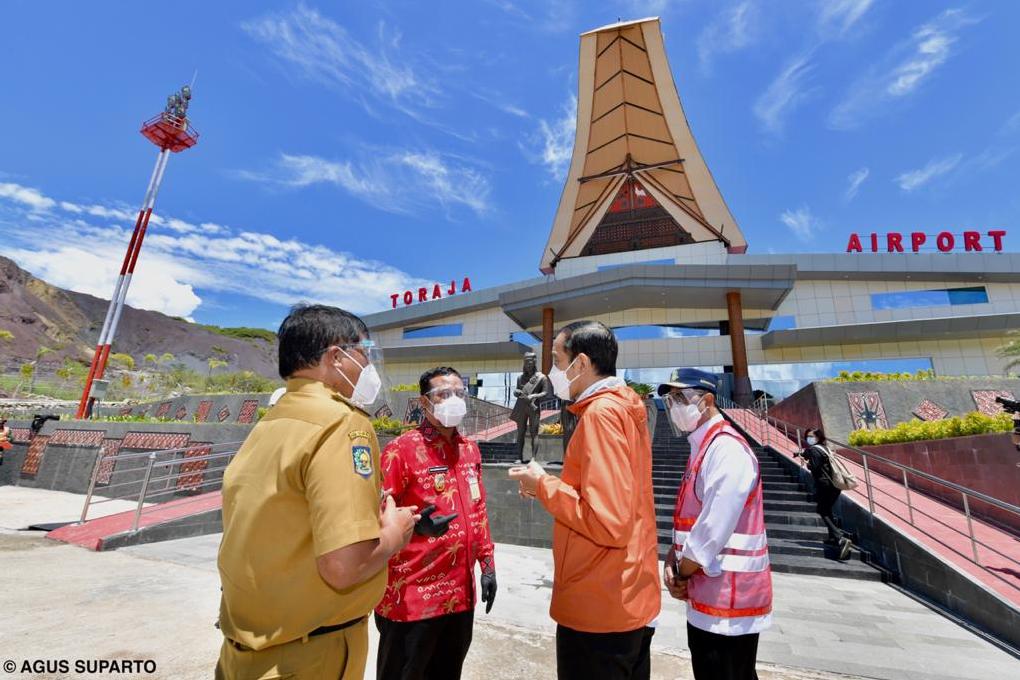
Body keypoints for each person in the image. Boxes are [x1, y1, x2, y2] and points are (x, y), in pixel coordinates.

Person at [215, 304, 420, 680]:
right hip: (310, 656)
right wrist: (395, 532)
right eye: (363, 352)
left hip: (245, 652)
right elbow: (344, 567)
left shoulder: (274, 421)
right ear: (336, 358)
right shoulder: (342, 423)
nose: (367, 365)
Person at [509, 321, 660, 680]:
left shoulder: (601, 414)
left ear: (580, 363)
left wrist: (543, 484)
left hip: (599, 605)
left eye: (557, 360)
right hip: (624, 594)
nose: (552, 372)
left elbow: (607, 520)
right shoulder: (623, 409)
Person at [374, 366, 496, 680]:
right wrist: (415, 526)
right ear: (424, 403)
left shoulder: (470, 450)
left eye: (459, 393)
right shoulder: (400, 450)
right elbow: (374, 513)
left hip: (459, 596)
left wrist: (488, 565)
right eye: (443, 394)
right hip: (412, 597)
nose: (453, 400)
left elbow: (478, 510)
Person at [659, 369, 772, 680]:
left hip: (730, 608)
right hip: (706, 599)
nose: (673, 406)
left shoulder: (727, 449)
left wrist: (680, 574)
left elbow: (711, 529)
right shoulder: (703, 448)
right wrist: (672, 562)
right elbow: (688, 526)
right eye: (670, 399)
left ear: (707, 400)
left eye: (680, 397)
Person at [795, 428, 852, 560]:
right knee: (827, 509)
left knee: (822, 510)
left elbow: (815, 467)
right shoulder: (824, 448)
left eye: (811, 436)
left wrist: (807, 463)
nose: (809, 438)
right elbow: (813, 456)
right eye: (807, 436)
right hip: (835, 485)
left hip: (824, 484)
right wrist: (802, 454)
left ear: (818, 437)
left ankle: (840, 538)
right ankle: (832, 538)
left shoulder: (814, 450)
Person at [510, 351, 550, 463]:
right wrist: (516, 392)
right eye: (526, 362)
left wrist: (535, 395)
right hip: (521, 406)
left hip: (534, 407)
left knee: (534, 432)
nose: (528, 364)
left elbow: (546, 393)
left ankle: (533, 458)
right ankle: (519, 457)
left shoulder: (542, 377)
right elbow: (518, 391)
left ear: (534, 362)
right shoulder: (520, 378)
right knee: (520, 432)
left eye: (530, 362)